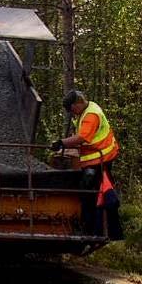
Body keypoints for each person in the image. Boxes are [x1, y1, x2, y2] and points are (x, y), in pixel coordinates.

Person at [51, 89, 123, 240]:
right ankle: (99, 231)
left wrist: (61, 143)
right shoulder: (87, 110)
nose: (72, 113)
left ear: (78, 103)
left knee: (94, 196)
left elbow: (83, 137)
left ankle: (99, 232)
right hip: (96, 159)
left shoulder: (91, 115)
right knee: (96, 195)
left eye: (72, 109)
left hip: (100, 160)